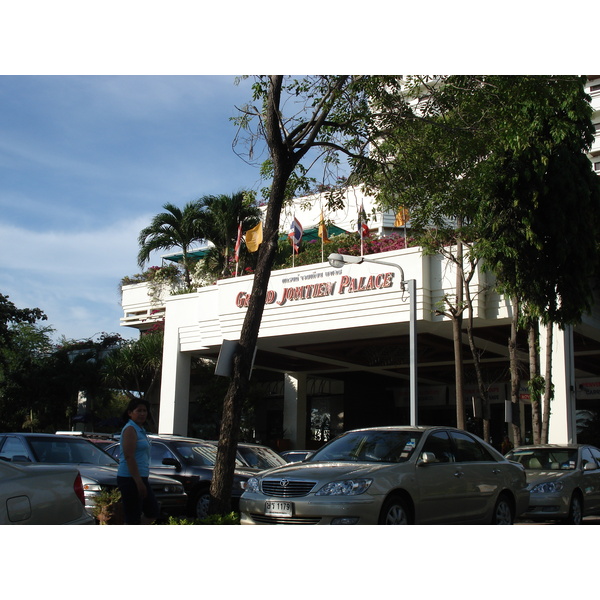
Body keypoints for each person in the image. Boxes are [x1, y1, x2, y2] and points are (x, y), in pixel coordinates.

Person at [117, 399, 159, 525]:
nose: (142, 414)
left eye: (144, 411)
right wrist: (139, 482)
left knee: (153, 511)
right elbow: (129, 456)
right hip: (130, 478)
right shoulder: (130, 429)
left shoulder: (140, 429)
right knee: (133, 515)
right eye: (139, 411)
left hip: (141, 477)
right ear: (130, 413)